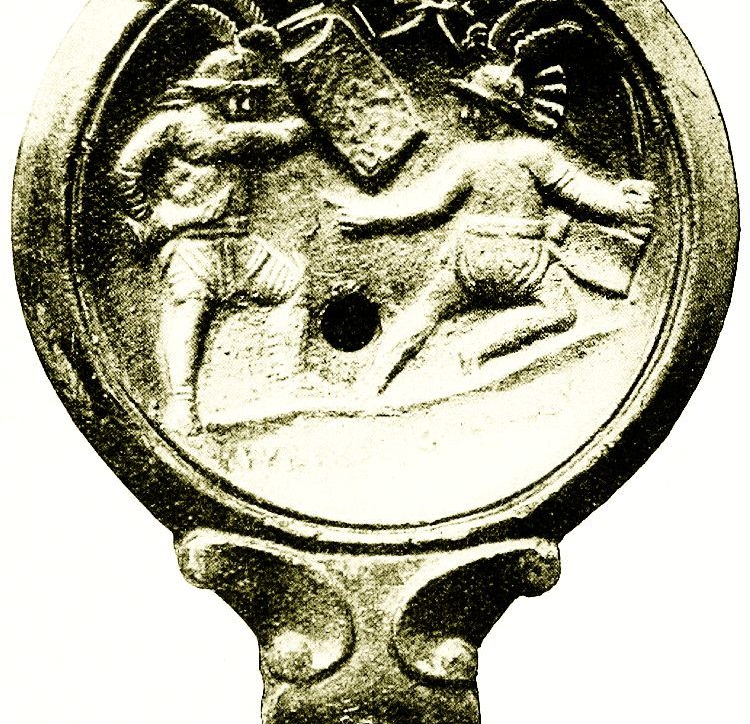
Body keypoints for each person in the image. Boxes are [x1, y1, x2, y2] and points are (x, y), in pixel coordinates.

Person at [331, 60, 657, 396]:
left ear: (494, 110)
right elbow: (581, 194)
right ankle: (478, 346)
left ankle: (371, 384)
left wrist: (373, 215)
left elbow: (431, 205)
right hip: (524, 263)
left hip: (471, 260)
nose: (466, 115)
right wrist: (627, 206)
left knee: (425, 312)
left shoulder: (469, 158)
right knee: (560, 311)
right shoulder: (536, 153)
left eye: (473, 106)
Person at [114, 26, 313, 434]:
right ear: (216, 93)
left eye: (252, 94)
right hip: (193, 247)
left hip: (241, 243)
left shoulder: (240, 126)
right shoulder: (184, 125)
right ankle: (181, 404)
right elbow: (127, 168)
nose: (247, 103)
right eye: (238, 94)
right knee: (189, 309)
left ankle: (284, 378)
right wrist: (149, 217)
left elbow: (273, 138)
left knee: (294, 286)